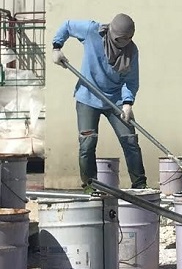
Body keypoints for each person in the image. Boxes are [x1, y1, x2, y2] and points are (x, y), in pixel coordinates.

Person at [52, 13, 147, 189]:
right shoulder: (92, 31)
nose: (125, 43)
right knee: (87, 143)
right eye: (121, 39)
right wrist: (57, 47)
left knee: (130, 141)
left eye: (129, 38)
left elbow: (131, 81)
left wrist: (128, 103)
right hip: (88, 97)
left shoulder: (131, 51)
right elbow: (67, 25)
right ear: (112, 34)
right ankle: (90, 186)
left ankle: (140, 186)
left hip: (116, 101)